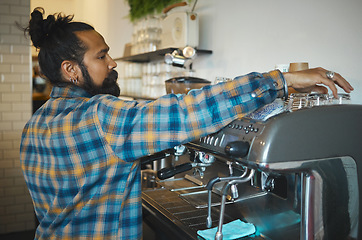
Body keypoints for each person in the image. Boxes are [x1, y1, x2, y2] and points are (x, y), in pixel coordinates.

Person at [20, 7, 353, 240]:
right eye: (101, 55)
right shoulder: (103, 116)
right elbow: (189, 110)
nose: (111, 62)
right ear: (71, 69)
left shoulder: (34, 127)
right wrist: (283, 80)